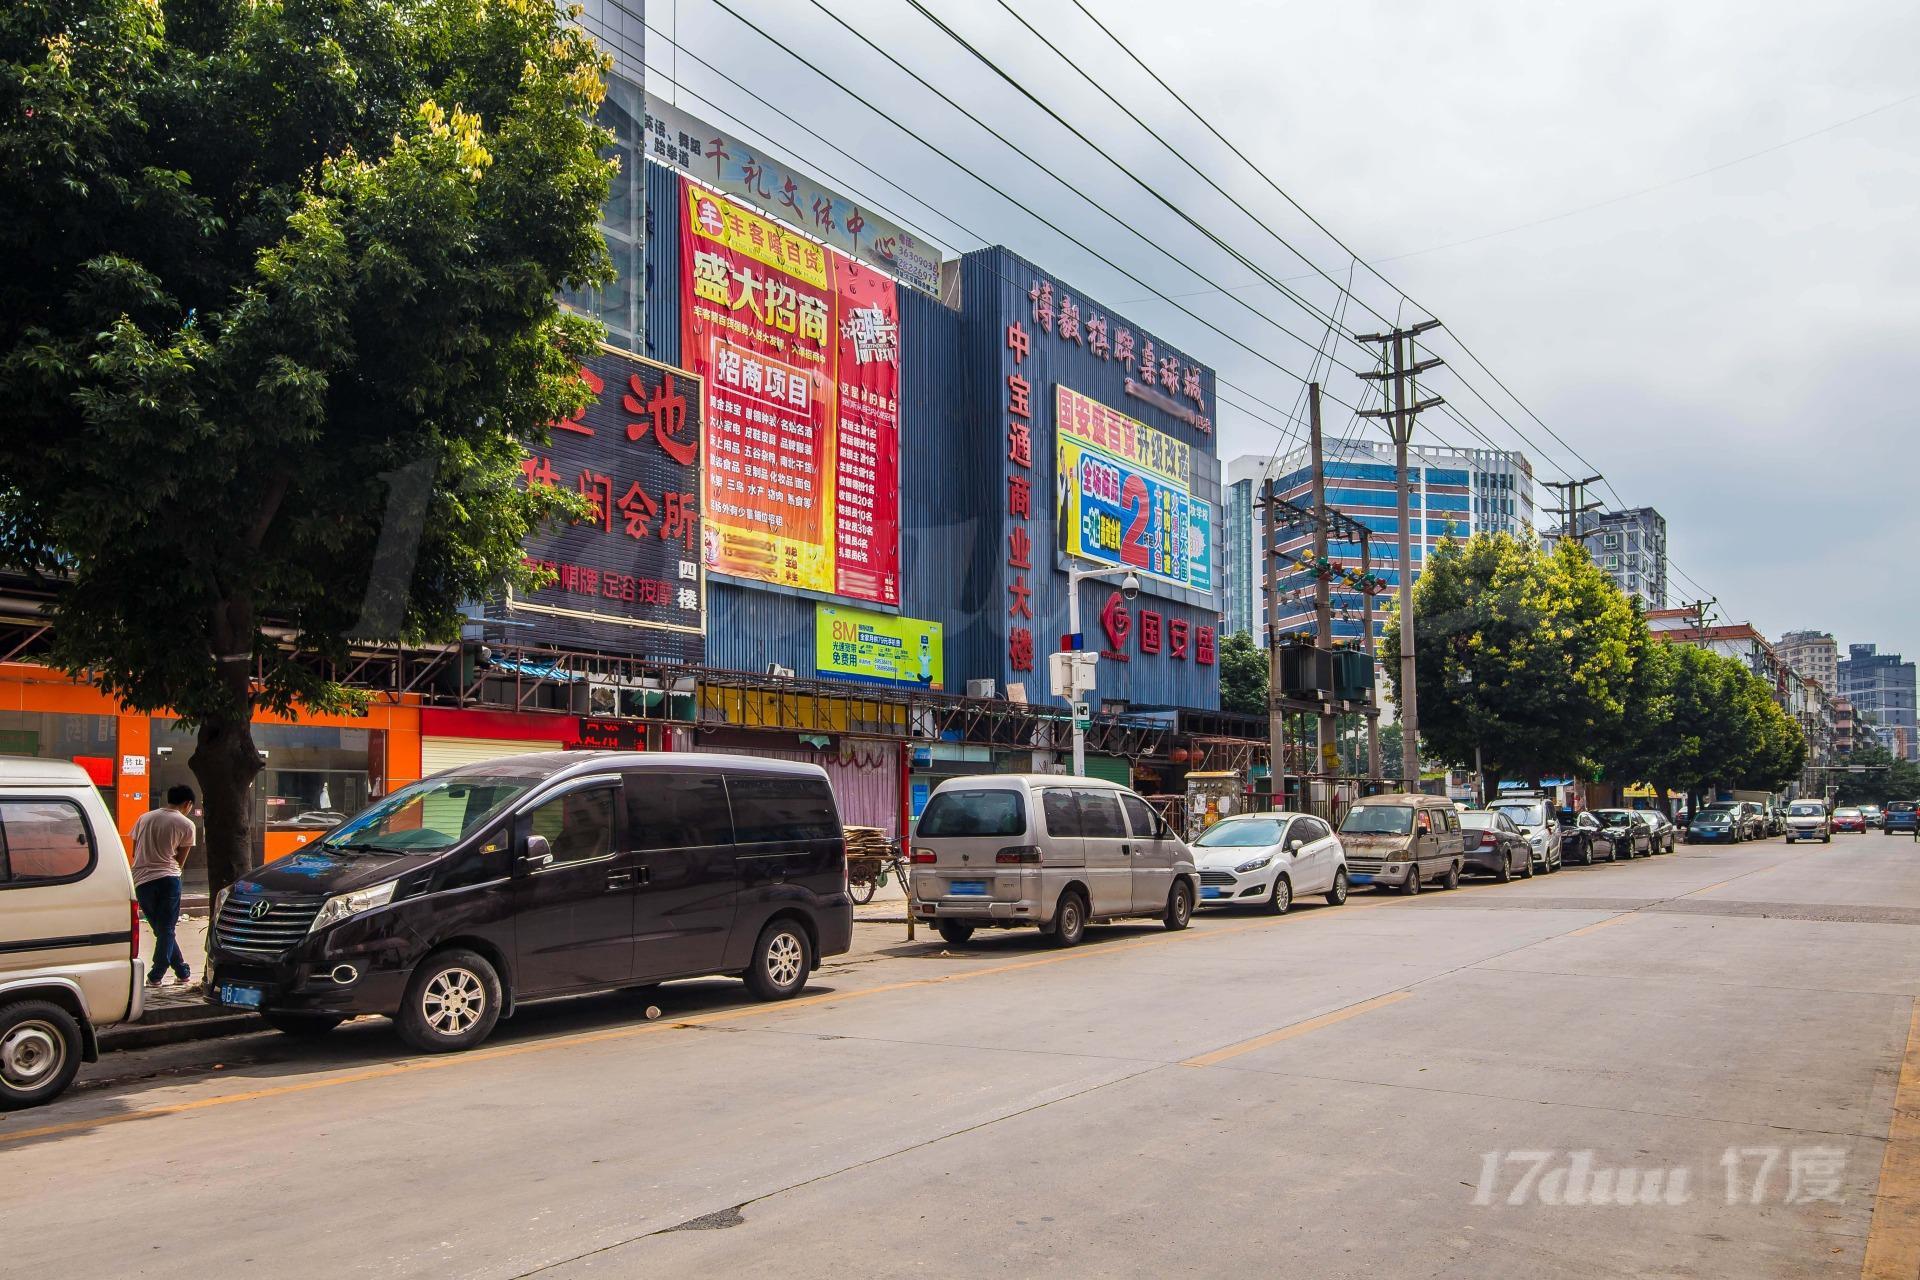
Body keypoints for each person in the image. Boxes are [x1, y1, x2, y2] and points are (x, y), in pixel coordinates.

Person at [131, 785, 198, 986]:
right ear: (187, 804)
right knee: (166, 929)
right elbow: (180, 861)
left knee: (161, 930)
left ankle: (182, 970)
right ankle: (156, 974)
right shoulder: (186, 824)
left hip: (142, 880)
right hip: (168, 878)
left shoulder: (145, 818)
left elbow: (135, 851)